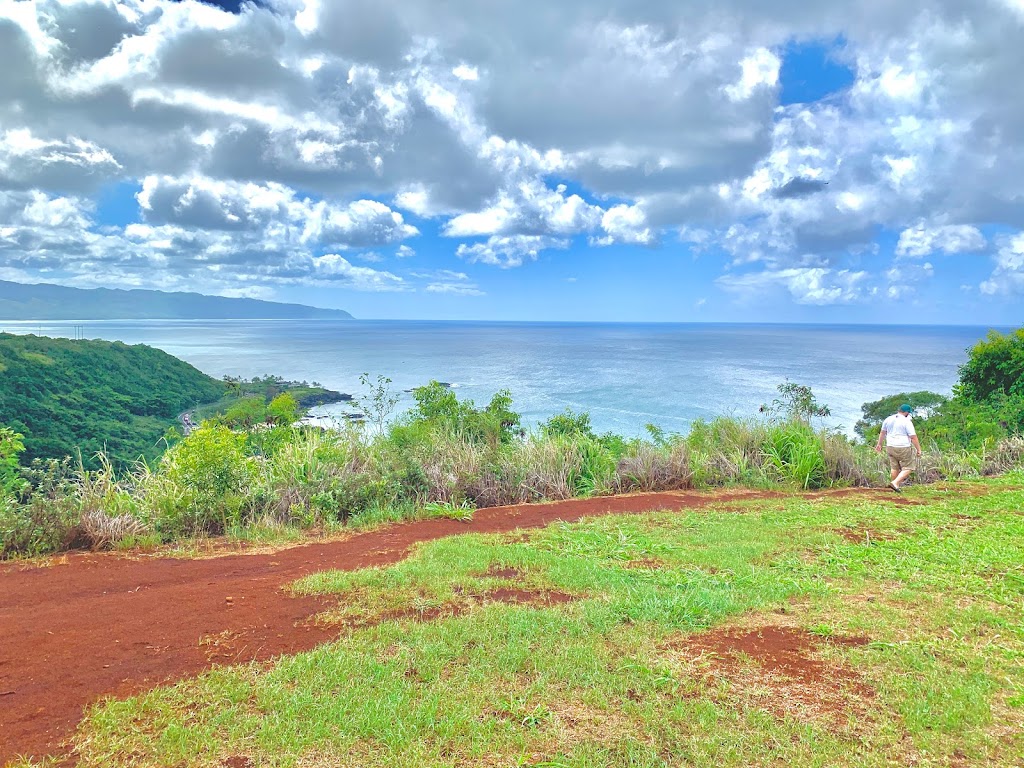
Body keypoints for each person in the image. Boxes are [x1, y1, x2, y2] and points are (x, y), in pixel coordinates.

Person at [874, 403, 922, 492]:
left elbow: (882, 432)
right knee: (909, 467)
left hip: (890, 446)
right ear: (907, 412)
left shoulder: (888, 419)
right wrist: (919, 449)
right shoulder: (907, 421)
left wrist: (879, 444)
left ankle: (894, 487)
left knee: (894, 467)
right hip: (903, 447)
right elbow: (913, 437)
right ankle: (895, 483)